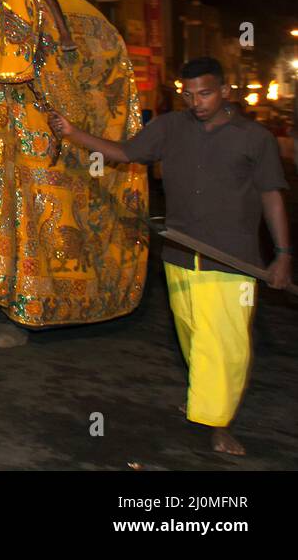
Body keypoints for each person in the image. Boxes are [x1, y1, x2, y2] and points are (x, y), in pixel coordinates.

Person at [49, 57, 292, 456]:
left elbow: (272, 196)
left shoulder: (254, 138)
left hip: (230, 260)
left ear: (225, 91)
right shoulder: (170, 128)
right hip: (180, 255)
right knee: (194, 336)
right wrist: (74, 134)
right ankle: (203, 400)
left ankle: (218, 423)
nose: (197, 102)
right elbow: (125, 153)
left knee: (225, 345)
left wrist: (282, 254)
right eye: (189, 94)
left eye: (206, 93)